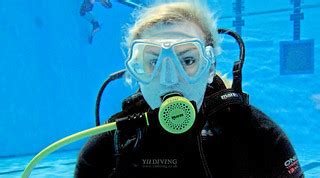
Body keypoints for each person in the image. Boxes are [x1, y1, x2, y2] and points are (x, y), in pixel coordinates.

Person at [74, 1, 304, 177]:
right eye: (153, 62)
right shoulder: (107, 148)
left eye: (187, 60)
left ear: (210, 66)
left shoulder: (258, 137)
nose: (169, 78)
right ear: (136, 69)